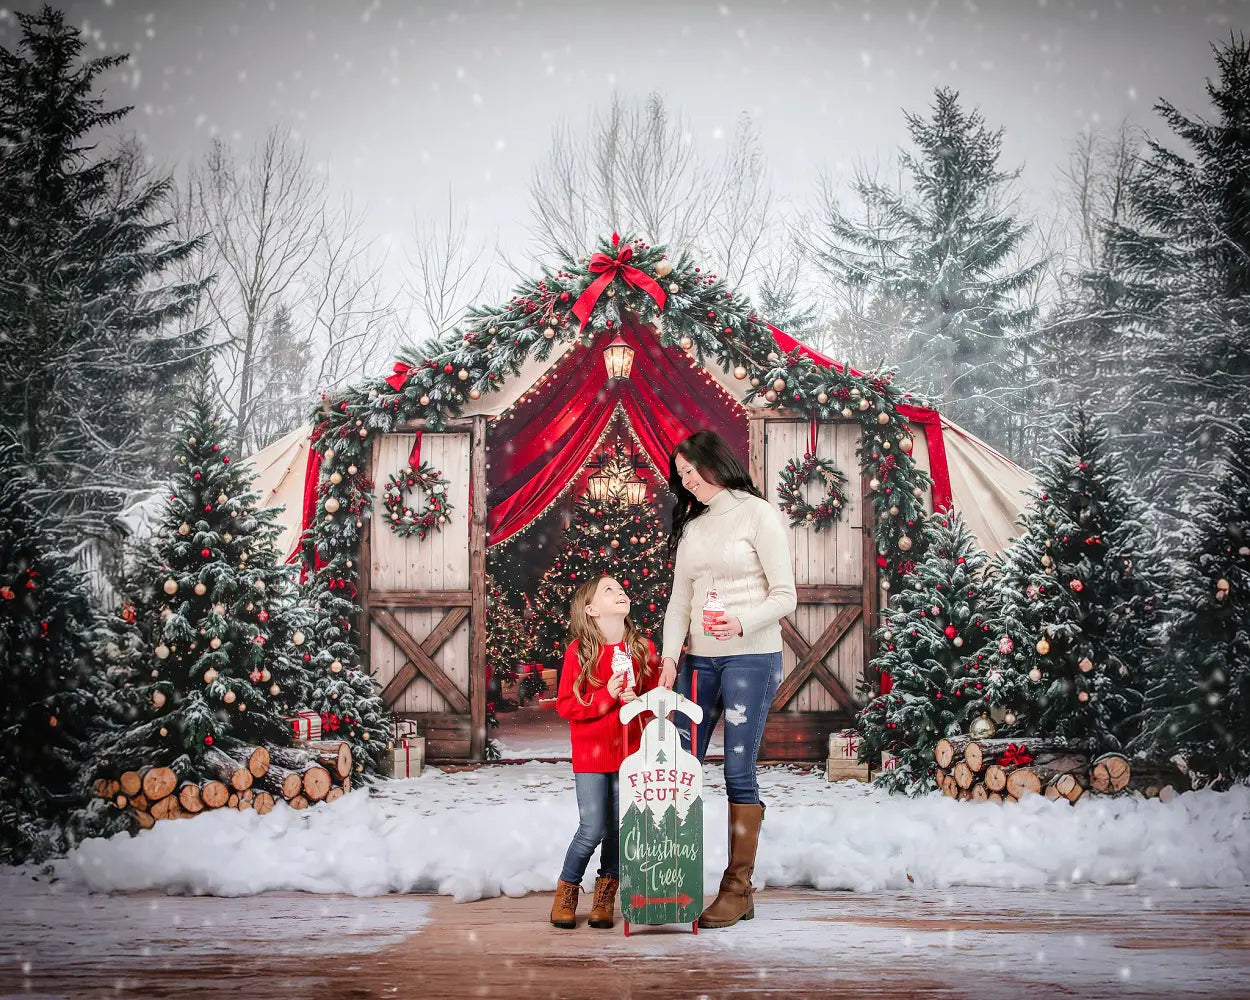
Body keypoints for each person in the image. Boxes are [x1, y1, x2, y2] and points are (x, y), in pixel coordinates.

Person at [658, 429, 796, 929]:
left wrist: (741, 623)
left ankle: (738, 888)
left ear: (714, 462)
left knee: (738, 772)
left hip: (751, 658)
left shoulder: (758, 514)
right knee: (679, 765)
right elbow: (679, 601)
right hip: (699, 661)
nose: (686, 481)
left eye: (691, 470)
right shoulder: (694, 527)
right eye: (680, 475)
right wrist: (671, 656)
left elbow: (786, 596)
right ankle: (670, 873)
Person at [551, 575, 659, 930]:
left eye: (621, 589)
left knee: (618, 828)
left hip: (630, 754)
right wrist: (605, 697)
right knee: (592, 827)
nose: (620, 592)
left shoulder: (643, 649)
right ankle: (566, 891)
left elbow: (657, 704)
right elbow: (567, 705)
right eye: (608, 590)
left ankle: (605, 896)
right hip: (592, 754)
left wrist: (638, 701)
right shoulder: (580, 651)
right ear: (591, 610)